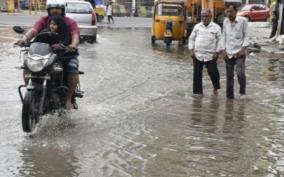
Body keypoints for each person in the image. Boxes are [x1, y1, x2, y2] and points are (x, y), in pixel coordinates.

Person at [17, 0, 80, 109]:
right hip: (46, 52)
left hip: (66, 53)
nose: (55, 10)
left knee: (72, 68)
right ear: (48, 10)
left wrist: (73, 45)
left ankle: (68, 99)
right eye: (52, 8)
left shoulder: (70, 22)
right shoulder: (44, 20)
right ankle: (29, 90)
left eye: (58, 8)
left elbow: (75, 35)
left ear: (62, 10)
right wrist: (24, 39)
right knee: (27, 64)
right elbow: (33, 31)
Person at [188, 9, 222, 96]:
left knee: (213, 72)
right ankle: (198, 93)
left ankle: (216, 87)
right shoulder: (197, 27)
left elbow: (220, 41)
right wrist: (191, 50)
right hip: (197, 54)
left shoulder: (216, 27)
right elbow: (191, 39)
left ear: (210, 16)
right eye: (203, 16)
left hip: (211, 55)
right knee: (197, 74)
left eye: (206, 16)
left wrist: (217, 52)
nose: (204, 18)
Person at [221, 4, 249, 99]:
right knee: (229, 76)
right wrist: (223, 50)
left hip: (239, 52)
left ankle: (242, 93)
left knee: (240, 73)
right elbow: (223, 36)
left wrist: (243, 48)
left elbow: (246, 35)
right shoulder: (225, 22)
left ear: (236, 12)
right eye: (227, 11)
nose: (229, 14)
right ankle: (229, 98)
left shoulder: (243, 21)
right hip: (228, 52)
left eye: (231, 12)